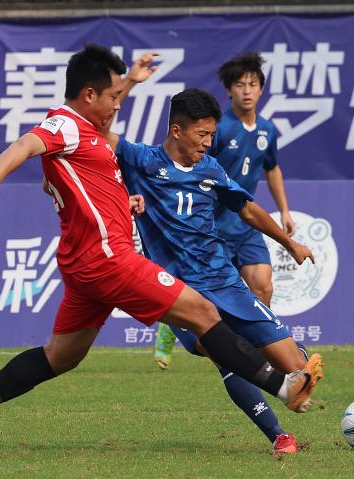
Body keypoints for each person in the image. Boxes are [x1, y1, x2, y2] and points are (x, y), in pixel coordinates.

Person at [0, 44, 323, 458]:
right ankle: (284, 388)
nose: (118, 104)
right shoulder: (66, 125)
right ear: (90, 95)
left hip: (83, 264)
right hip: (108, 258)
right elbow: (26, 144)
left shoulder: (91, 135)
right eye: (113, 96)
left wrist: (124, 200)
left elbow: (81, 182)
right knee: (203, 314)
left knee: (60, 357)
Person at [111, 87, 315, 454]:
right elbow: (94, 133)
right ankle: (278, 435)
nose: (208, 143)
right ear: (177, 131)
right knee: (223, 352)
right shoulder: (140, 159)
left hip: (224, 281)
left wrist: (291, 244)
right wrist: (128, 83)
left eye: (212, 135)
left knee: (297, 367)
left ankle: (286, 357)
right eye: (202, 134)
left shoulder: (210, 168)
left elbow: (247, 209)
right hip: (180, 293)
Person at [155, 52, 299, 371]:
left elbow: (272, 168)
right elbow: (191, 165)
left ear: (261, 89)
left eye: (253, 84)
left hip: (246, 225)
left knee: (263, 285)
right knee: (200, 297)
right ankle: (171, 327)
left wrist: (284, 210)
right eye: (240, 85)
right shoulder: (218, 129)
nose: (247, 90)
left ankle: (256, 350)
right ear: (229, 91)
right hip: (213, 225)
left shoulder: (267, 130)